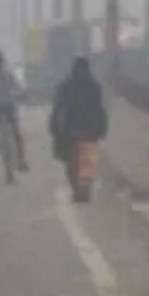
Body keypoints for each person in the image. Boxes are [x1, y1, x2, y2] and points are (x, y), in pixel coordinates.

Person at [49, 57, 107, 197]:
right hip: (81, 130)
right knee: (81, 162)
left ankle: (80, 189)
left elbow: (57, 108)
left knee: (76, 162)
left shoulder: (67, 86)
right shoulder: (93, 87)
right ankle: (81, 189)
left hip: (76, 130)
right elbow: (100, 110)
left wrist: (54, 125)